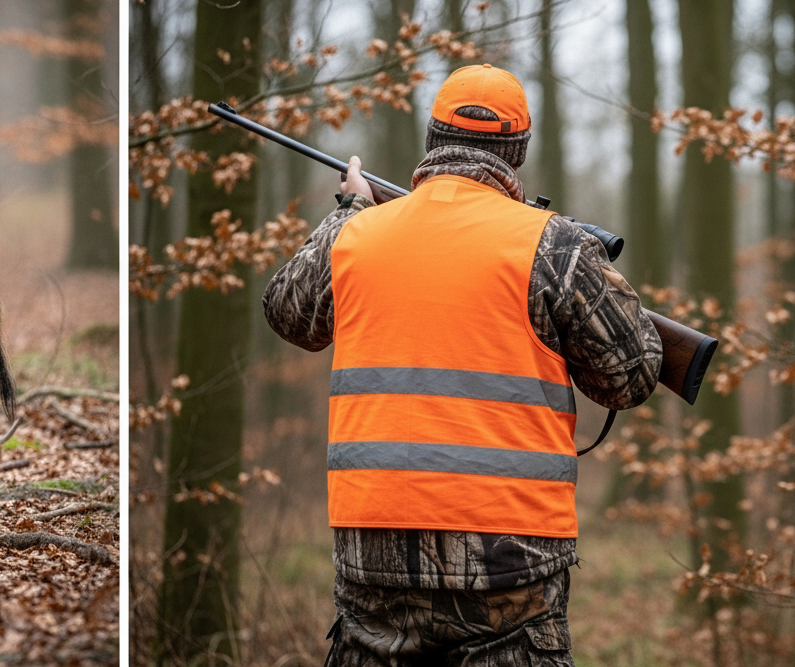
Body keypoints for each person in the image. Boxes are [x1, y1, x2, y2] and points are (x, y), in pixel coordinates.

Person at [262, 63, 664, 666]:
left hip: (374, 553)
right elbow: (632, 376)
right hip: (512, 560)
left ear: (431, 138)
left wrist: (348, 210)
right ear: (519, 150)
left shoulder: (358, 234)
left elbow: (289, 312)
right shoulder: (553, 245)